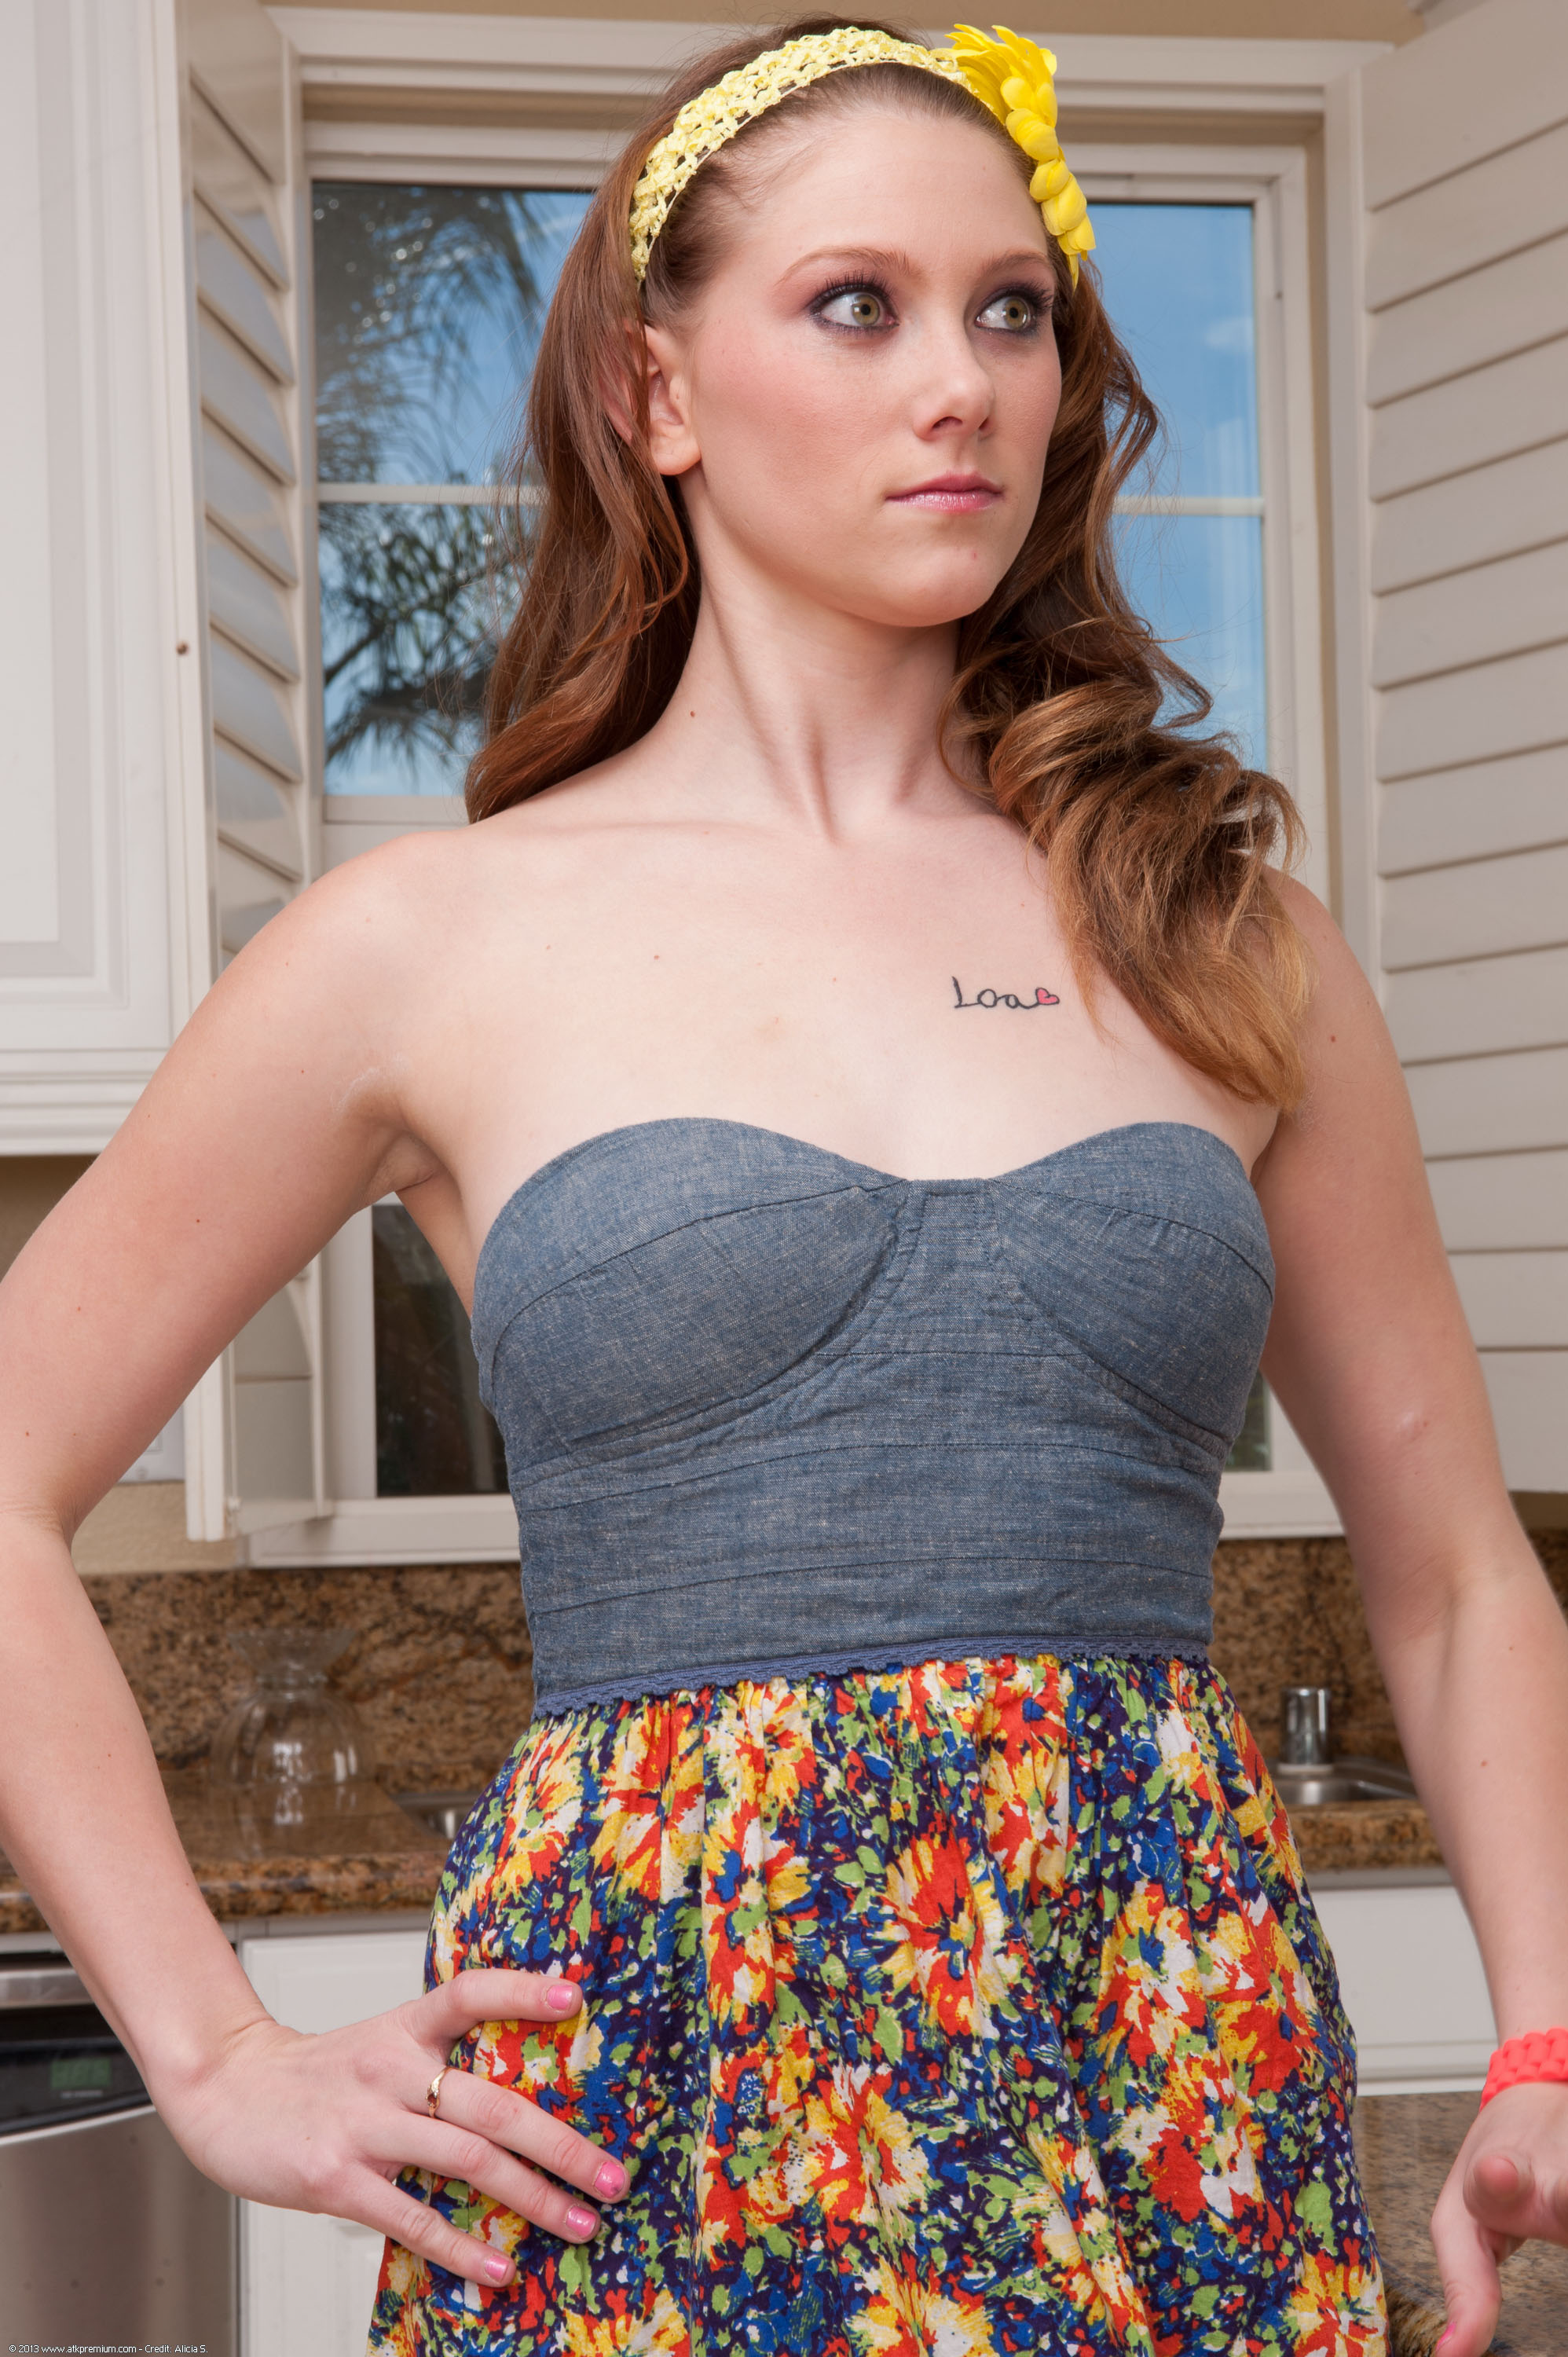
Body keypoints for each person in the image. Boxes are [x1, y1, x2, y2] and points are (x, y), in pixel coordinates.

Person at [2, 14, 1566, 2352]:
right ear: (658, 390)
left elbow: (1448, 1578)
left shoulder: (1217, 927)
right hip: (657, 2113)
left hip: (1167, 2090)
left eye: (1012, 310)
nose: (964, 385)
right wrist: (217, 2053)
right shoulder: (423, 945)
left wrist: (1544, 2038)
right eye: (859, 304)